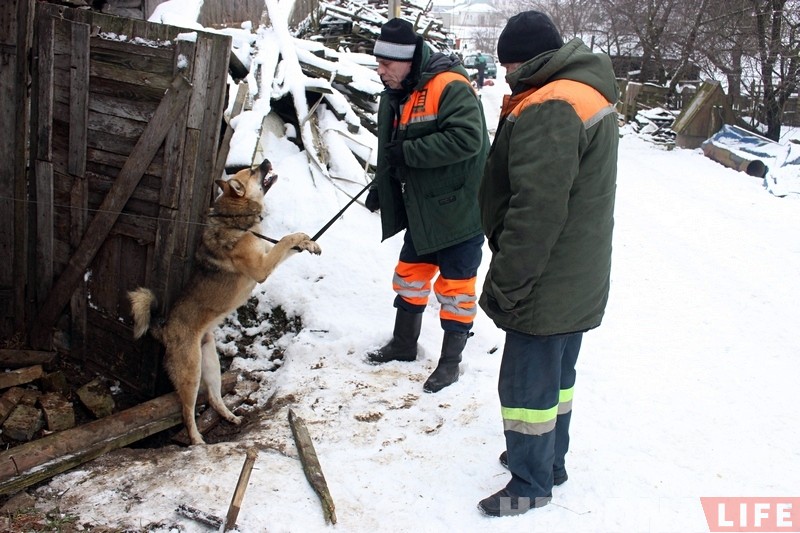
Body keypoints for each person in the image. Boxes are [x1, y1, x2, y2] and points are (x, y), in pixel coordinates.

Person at [476, 11, 619, 516]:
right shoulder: (583, 89)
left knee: (525, 386)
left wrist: (507, 283)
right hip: (574, 273)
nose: (507, 77)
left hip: (545, 276)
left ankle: (530, 482)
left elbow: (536, 210)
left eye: (508, 67)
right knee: (557, 377)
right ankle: (549, 460)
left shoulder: (553, 103)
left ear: (522, 61)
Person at [364, 18, 489, 394]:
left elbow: (469, 138)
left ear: (407, 60)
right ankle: (404, 344)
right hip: (423, 208)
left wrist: (410, 153)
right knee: (410, 275)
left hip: (458, 212)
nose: (380, 71)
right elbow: (394, 146)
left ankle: (450, 363)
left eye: (387, 64)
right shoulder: (400, 90)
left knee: (456, 289)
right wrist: (381, 184)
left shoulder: (449, 85)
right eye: (379, 63)